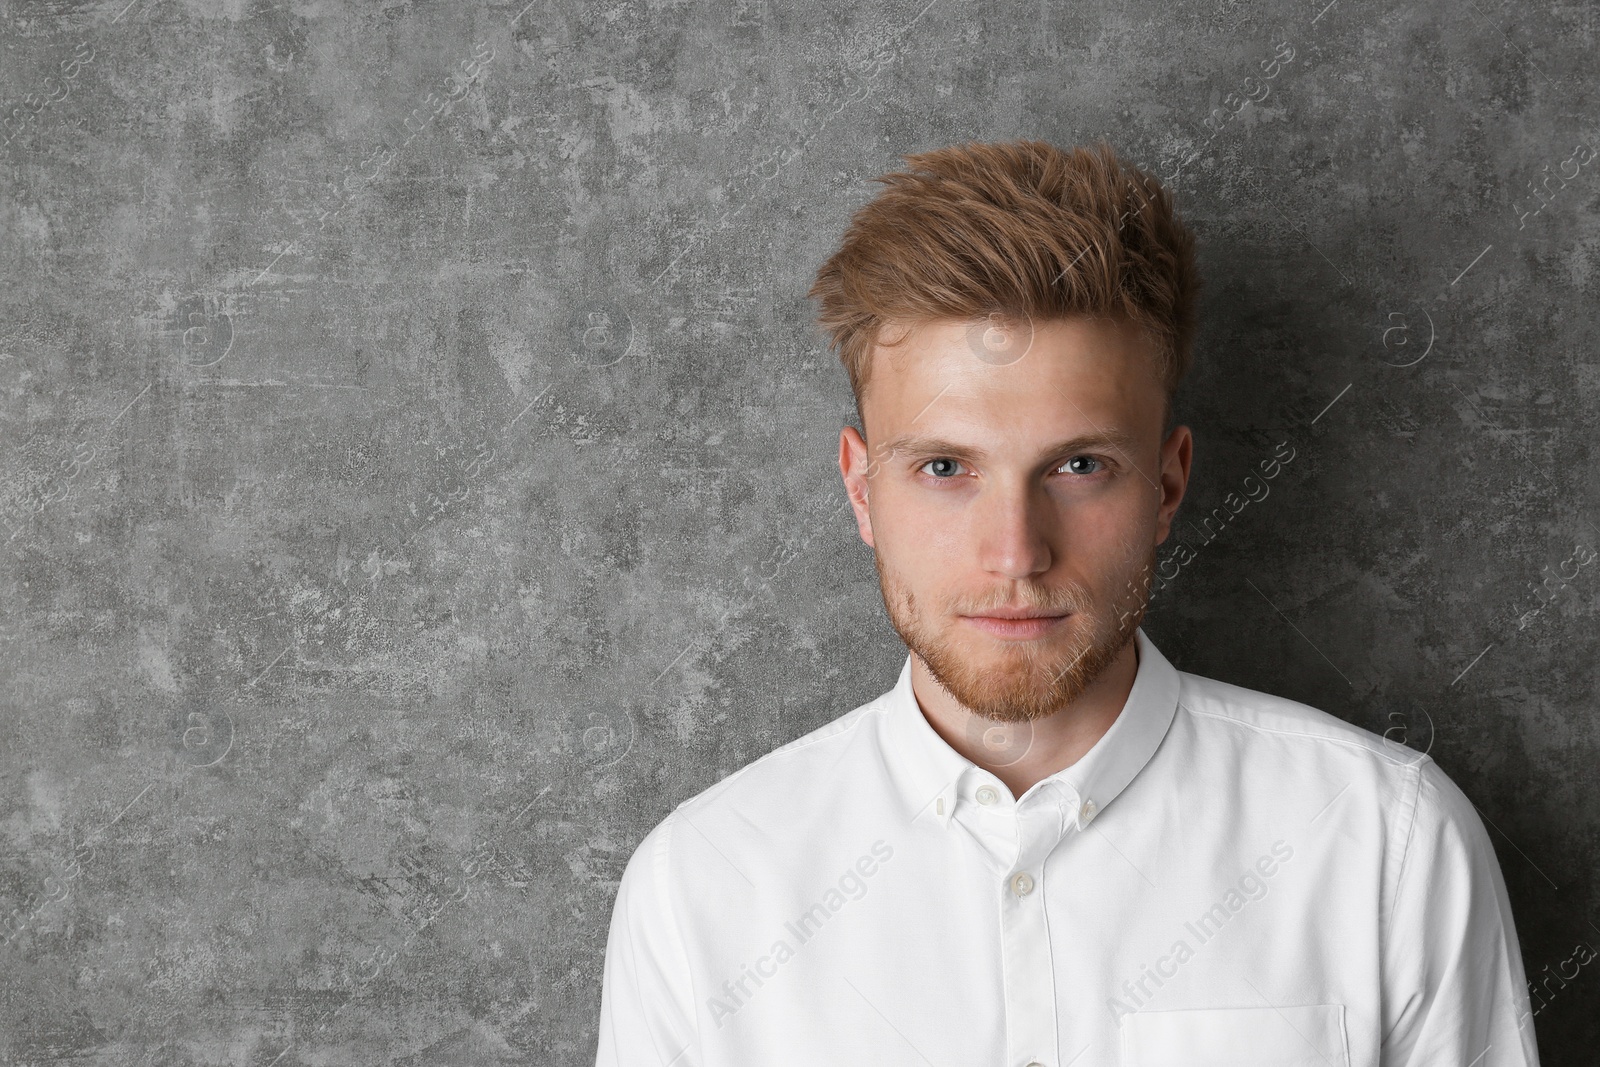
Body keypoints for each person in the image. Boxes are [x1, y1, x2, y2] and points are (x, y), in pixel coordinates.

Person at [594, 139, 1541, 1066]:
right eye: (944, 467)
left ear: (1167, 485)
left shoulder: (1386, 846)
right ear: (860, 490)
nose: (1017, 551)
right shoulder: (701, 891)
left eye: (1080, 465)